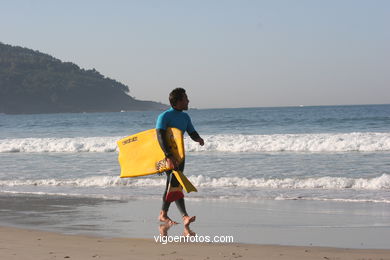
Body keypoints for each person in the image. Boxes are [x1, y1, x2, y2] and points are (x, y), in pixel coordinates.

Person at [156, 88, 204, 226]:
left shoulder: (185, 117)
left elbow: (191, 131)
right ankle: (181, 216)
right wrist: (168, 156)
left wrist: (198, 139)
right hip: (167, 155)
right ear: (177, 102)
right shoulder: (164, 116)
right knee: (174, 184)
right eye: (185, 98)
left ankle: (166, 214)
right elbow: (160, 136)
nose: (188, 101)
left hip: (179, 156)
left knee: (175, 184)